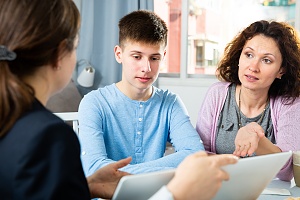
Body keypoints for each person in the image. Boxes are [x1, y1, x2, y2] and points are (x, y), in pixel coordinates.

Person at [78, 10, 204, 176]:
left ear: (163, 56)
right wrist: (159, 171)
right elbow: (95, 168)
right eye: (137, 57)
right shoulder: (93, 103)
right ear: (119, 54)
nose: (146, 68)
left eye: (154, 58)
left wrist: (123, 173)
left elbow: (195, 154)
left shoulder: (170, 102)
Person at [196, 20, 300, 181]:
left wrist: (257, 139)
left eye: (266, 60)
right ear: (239, 57)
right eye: (249, 55)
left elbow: (287, 172)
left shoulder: (289, 103)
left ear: (281, 70)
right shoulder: (217, 94)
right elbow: (199, 153)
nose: (253, 67)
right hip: (219, 185)